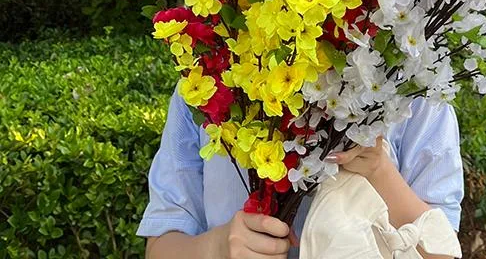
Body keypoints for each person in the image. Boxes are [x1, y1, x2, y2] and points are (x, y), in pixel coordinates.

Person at [139, 87, 464, 259]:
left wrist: (379, 169)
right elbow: (162, 247)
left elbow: (440, 253)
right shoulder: (203, 88)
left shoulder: (417, 97)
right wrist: (217, 248)